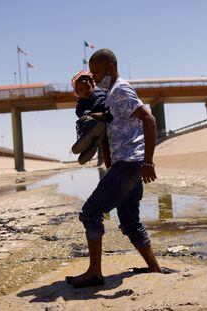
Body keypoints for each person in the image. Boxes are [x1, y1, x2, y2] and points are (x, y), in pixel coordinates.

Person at [66, 49, 162, 288]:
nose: (94, 78)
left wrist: (148, 161)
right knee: (130, 222)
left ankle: (95, 273)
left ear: (110, 67)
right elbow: (111, 125)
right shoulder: (110, 94)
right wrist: (108, 157)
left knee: (90, 212)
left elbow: (149, 120)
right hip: (125, 163)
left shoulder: (119, 89)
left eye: (96, 72)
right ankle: (155, 269)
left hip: (130, 163)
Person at [70, 70, 112, 165]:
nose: (85, 91)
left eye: (87, 87)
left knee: (105, 145)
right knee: (83, 121)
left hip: (106, 119)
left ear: (93, 85)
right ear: (77, 92)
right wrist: (91, 115)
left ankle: (91, 142)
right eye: (81, 90)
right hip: (95, 123)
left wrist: (105, 114)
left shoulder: (101, 94)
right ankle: (88, 144)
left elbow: (110, 105)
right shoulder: (81, 105)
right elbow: (82, 113)